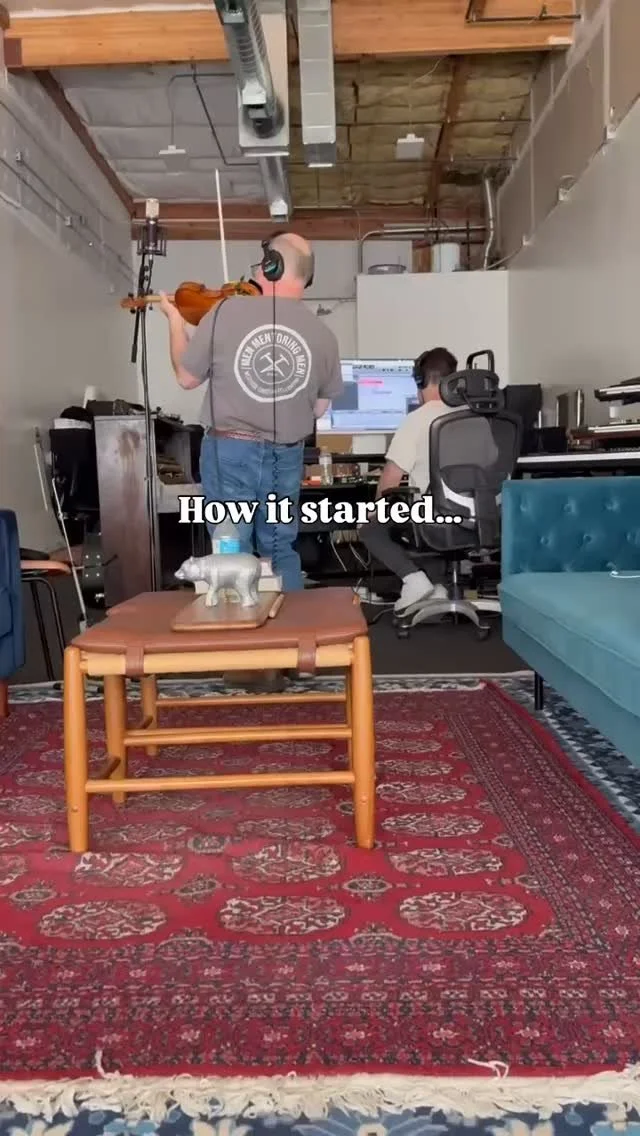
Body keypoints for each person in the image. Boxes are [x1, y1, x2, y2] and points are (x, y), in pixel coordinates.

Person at [159, 231, 343, 592]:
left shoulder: (226, 311)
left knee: (231, 549)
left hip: (230, 452)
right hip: (286, 456)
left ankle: (239, 625)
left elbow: (186, 377)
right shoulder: (324, 335)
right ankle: (291, 623)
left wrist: (175, 323)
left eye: (262, 262)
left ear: (271, 266)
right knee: (280, 549)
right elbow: (320, 408)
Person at [359, 346, 459, 613]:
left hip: (432, 516)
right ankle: (437, 587)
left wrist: (375, 510)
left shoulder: (416, 420)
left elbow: (391, 479)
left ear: (420, 381)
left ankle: (414, 580)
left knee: (369, 527)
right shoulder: (477, 417)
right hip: (478, 517)